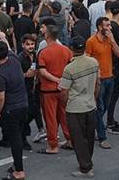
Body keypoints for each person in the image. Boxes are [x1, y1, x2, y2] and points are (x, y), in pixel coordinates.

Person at [60, 36, 100, 178]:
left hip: (75, 108)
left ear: (71, 49)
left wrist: (65, 105)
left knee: (78, 139)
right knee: (89, 137)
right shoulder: (94, 62)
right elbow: (97, 84)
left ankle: (85, 168)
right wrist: (92, 98)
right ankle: (87, 162)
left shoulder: (69, 68)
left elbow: (64, 92)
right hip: (90, 105)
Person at [85, 17, 119, 149]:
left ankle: (93, 126)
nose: (110, 28)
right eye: (107, 25)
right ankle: (102, 137)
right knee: (100, 107)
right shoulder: (91, 41)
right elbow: (87, 60)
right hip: (98, 80)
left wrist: (112, 41)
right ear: (100, 27)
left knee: (104, 107)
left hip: (110, 77)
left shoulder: (109, 40)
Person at [0, 41, 29, 180]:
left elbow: (0, 97)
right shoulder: (14, 60)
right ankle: (16, 165)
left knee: (15, 139)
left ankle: (19, 171)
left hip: (11, 109)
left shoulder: (0, 75)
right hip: (23, 105)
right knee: (18, 135)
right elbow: (10, 50)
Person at [38, 26, 73, 154]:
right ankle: (70, 139)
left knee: (50, 118)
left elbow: (42, 71)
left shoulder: (44, 52)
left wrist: (55, 80)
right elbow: (70, 69)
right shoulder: (66, 50)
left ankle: (53, 145)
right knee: (64, 115)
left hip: (48, 89)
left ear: (47, 35)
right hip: (63, 89)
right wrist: (62, 81)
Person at [17, 34, 45, 146]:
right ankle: (23, 135)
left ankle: (40, 129)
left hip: (35, 88)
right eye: (28, 44)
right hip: (25, 90)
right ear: (23, 45)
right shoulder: (20, 58)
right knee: (28, 113)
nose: (30, 46)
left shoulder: (36, 55)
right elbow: (17, 75)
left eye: (32, 44)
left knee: (36, 110)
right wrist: (25, 75)